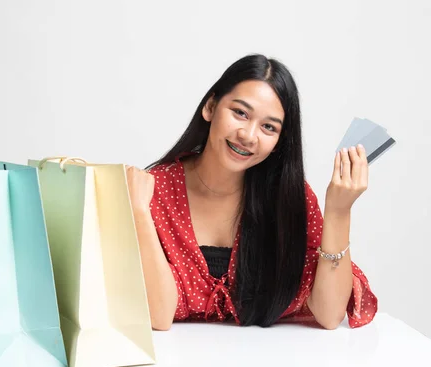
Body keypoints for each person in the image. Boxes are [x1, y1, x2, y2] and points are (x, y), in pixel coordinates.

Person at [126, 54, 378, 331]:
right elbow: (159, 316)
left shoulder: (291, 199)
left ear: (280, 142)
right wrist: (138, 213)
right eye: (240, 113)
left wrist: (339, 212)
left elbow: (329, 315)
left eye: (269, 127)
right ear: (211, 107)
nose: (248, 135)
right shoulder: (152, 190)